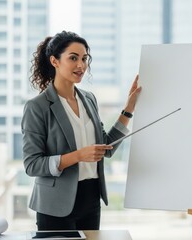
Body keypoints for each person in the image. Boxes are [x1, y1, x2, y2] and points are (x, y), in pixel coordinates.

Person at [21, 30, 141, 231]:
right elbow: (32, 164)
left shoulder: (89, 99)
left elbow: (106, 148)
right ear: (55, 61)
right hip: (55, 205)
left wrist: (128, 109)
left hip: (91, 197)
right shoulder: (37, 106)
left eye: (85, 58)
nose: (81, 65)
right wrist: (78, 156)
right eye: (73, 58)